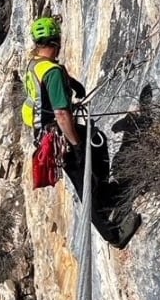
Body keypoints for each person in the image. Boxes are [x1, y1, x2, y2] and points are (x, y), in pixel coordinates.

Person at [22, 16, 138, 248]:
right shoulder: (51, 72)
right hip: (60, 136)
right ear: (57, 42)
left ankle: (105, 193)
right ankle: (113, 236)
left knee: (99, 141)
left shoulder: (35, 64)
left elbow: (45, 86)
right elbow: (62, 115)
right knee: (85, 182)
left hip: (46, 133)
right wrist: (76, 145)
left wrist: (73, 84)